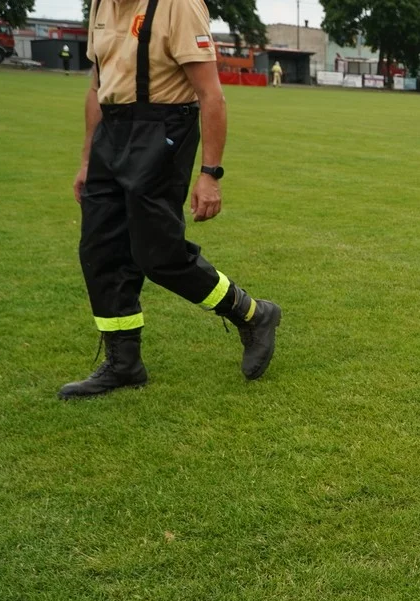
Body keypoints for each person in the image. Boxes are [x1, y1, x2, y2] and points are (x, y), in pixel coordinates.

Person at [65, 0, 282, 400]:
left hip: (162, 130)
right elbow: (97, 87)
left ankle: (253, 314)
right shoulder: (99, 5)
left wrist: (209, 174)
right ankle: (123, 363)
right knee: (101, 251)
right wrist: (85, 160)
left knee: (158, 254)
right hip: (110, 135)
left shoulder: (177, 5)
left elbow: (210, 94)